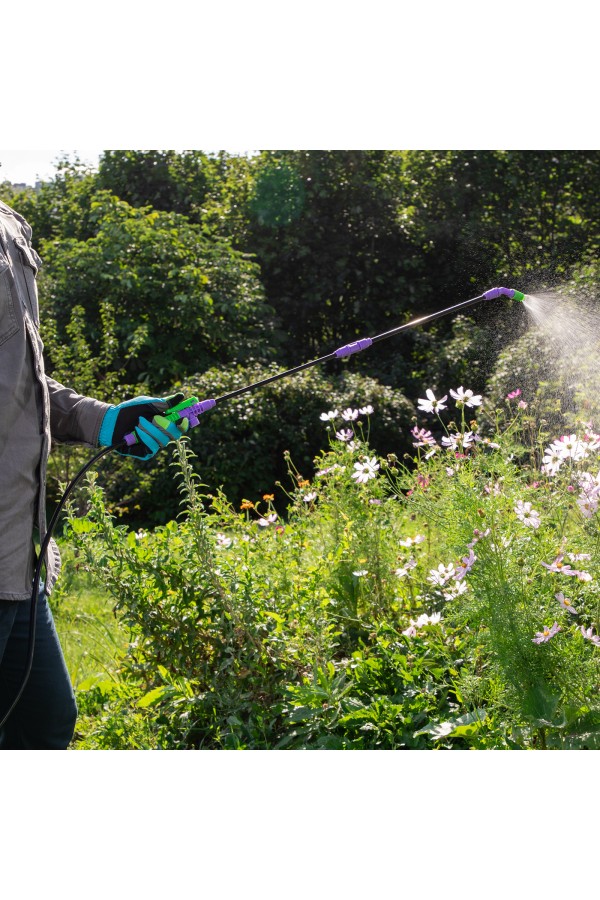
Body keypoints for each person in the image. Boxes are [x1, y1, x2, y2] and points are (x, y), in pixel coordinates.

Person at [0, 198, 188, 749]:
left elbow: (21, 384)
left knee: (44, 724)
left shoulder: (9, 222)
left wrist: (105, 421)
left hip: (18, 562)